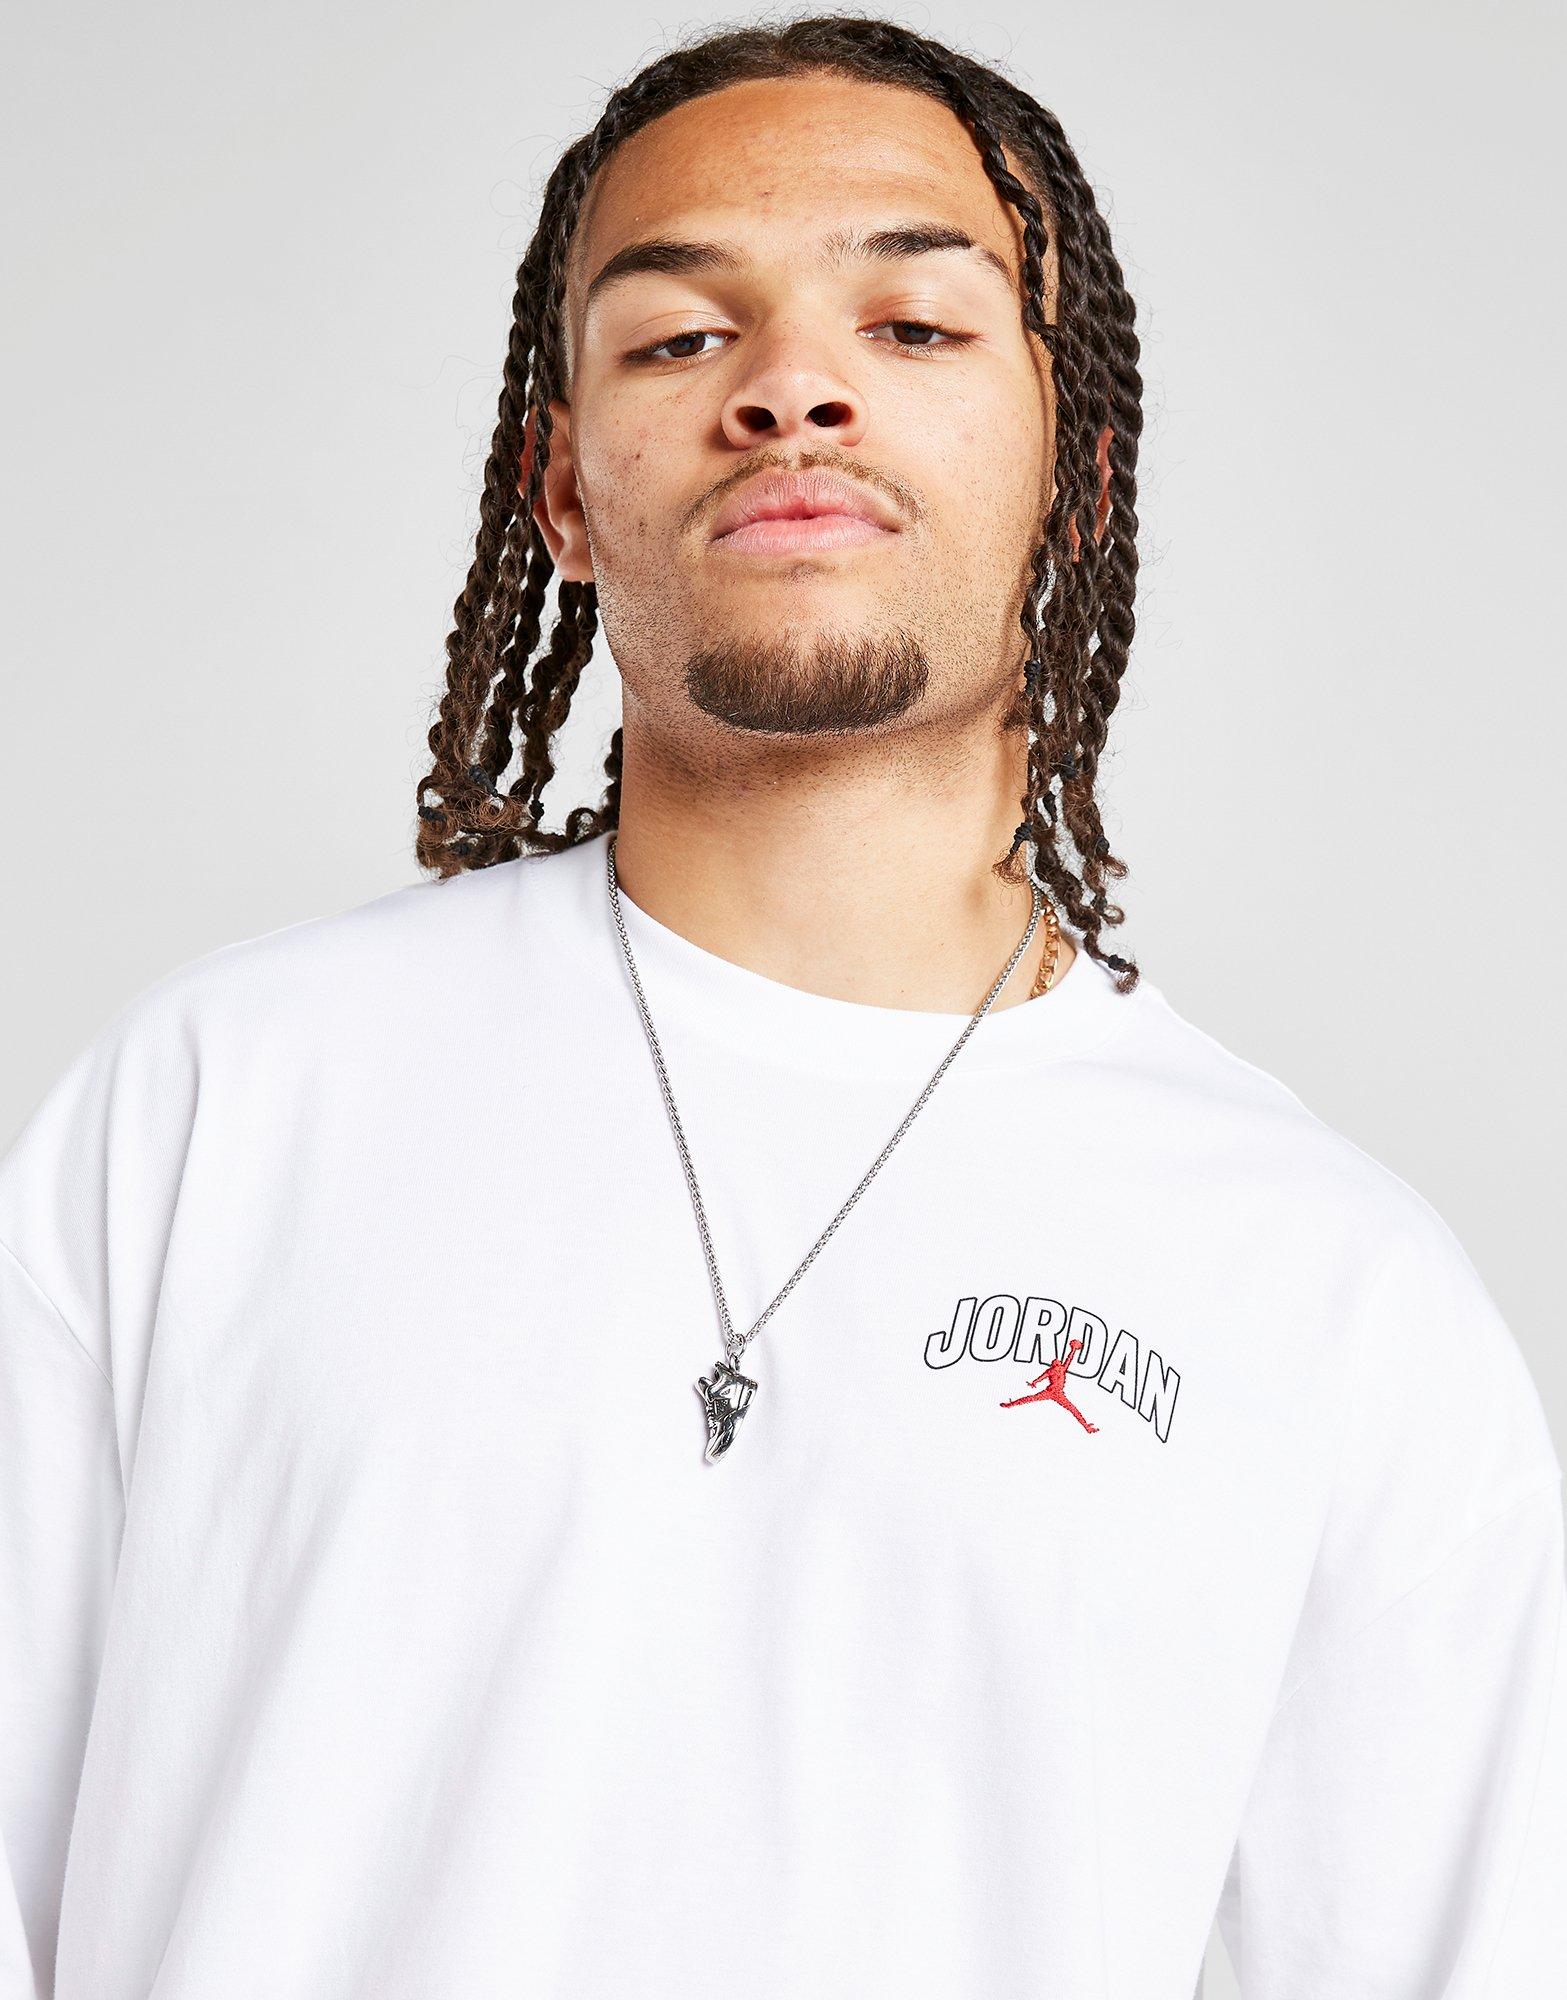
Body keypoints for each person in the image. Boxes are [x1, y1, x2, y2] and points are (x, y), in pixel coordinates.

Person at [2, 15, 1562, 1998]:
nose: (791, 388)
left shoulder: (1329, 1289)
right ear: (563, 495)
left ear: (1079, 476)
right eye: (677, 338)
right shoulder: (219, 1105)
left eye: (912, 326)